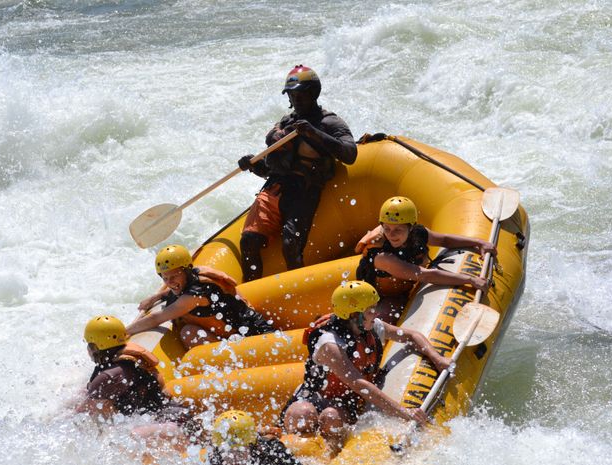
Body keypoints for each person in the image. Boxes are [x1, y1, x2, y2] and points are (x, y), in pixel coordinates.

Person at [281, 281, 452, 455]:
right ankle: (304, 457)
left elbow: (411, 335)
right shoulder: (329, 344)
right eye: (370, 310)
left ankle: (332, 456)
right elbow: (358, 383)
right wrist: (404, 412)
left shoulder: (373, 327)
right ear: (354, 315)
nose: (376, 313)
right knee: (300, 414)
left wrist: (437, 358)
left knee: (330, 416)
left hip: (344, 402)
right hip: (315, 396)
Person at [237, 65, 358, 281]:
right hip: (275, 189)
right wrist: (252, 165)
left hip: (304, 192)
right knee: (248, 242)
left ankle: (298, 288)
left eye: (300, 94)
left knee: (290, 244)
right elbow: (269, 168)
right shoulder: (285, 124)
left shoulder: (329, 122)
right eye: (292, 95)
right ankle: (247, 293)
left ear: (313, 93)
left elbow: (350, 154)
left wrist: (314, 133)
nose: (296, 99)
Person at [355, 196, 496, 322]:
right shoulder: (383, 257)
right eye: (387, 229)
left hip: (402, 288)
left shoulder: (418, 233)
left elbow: (445, 240)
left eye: (398, 229)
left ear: (410, 228)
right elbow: (425, 275)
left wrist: (479, 243)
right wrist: (470, 279)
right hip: (381, 297)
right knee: (382, 319)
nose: (391, 235)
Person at [128, 244, 274, 349]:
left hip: (256, 334)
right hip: (235, 335)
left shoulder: (196, 294)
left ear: (186, 271)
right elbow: (172, 291)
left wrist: (122, 333)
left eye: (174, 276)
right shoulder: (190, 278)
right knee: (189, 332)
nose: (170, 282)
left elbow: (156, 318)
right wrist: (155, 297)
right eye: (165, 278)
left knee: (188, 333)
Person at [75, 315, 194, 435]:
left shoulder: (108, 377)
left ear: (94, 348)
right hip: (176, 415)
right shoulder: (129, 362)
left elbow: (81, 412)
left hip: (172, 425)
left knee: (125, 436)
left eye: (89, 345)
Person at [199, 410, 309, 465]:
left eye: (240, 451)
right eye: (227, 452)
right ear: (219, 450)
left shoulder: (272, 452)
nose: (235, 458)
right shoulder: (216, 462)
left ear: (253, 447)